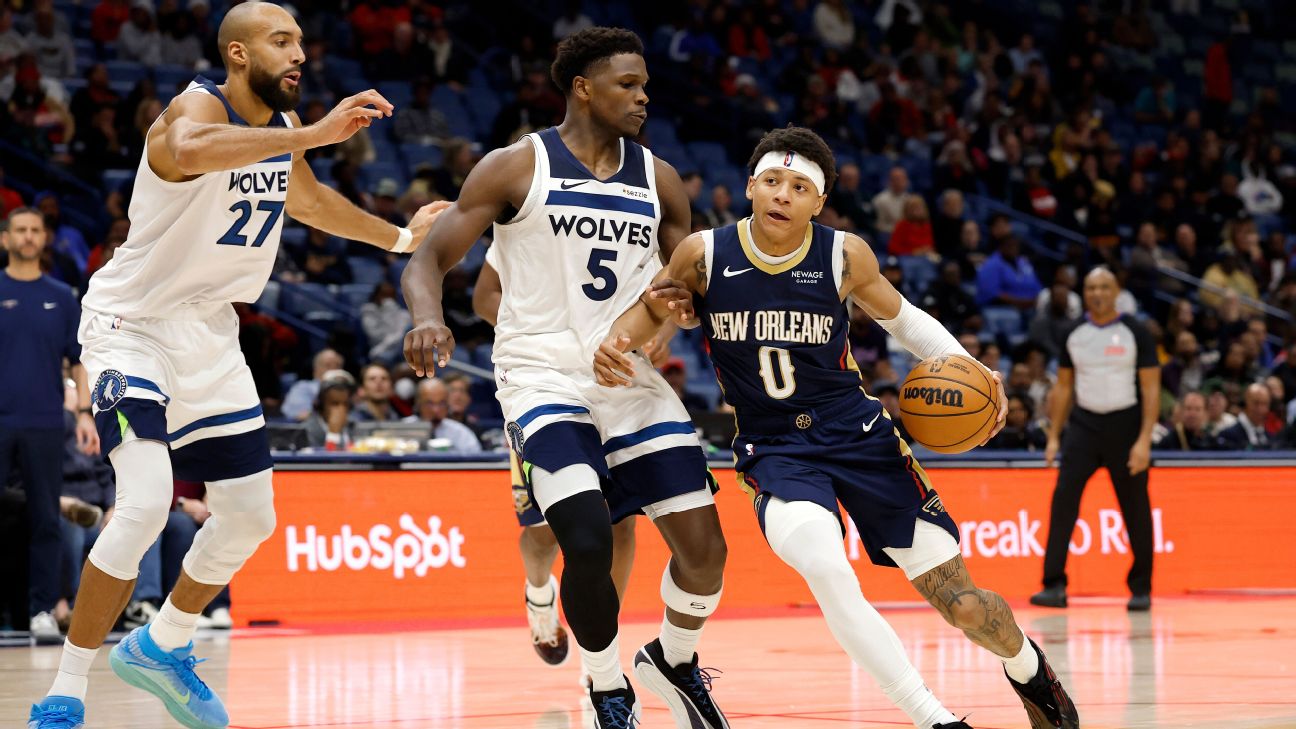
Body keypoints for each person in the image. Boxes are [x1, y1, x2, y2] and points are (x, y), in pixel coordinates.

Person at [27, 4, 447, 727]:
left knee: (251, 516)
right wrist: (314, 134)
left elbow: (307, 198)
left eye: (301, 41)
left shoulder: (283, 129)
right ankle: (65, 691)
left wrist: (401, 238)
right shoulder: (191, 110)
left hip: (211, 333)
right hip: (132, 327)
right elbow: (192, 150)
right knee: (145, 501)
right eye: (282, 41)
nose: (300, 55)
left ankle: (163, 644)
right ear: (238, 54)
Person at [596, 126, 1078, 729]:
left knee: (964, 606)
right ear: (750, 186)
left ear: (819, 202)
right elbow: (654, 309)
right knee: (828, 569)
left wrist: (976, 370)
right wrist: (615, 343)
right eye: (772, 181)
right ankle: (934, 719)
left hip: (860, 437)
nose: (783, 194)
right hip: (777, 449)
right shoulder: (703, 253)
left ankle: (1031, 671)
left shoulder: (844, 255)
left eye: (799, 187)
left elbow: (905, 321)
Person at [401, 28, 729, 729]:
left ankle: (673, 660)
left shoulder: (660, 179)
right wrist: (428, 318)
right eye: (627, 85)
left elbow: (689, 288)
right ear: (583, 88)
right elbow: (428, 260)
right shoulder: (515, 167)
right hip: (541, 376)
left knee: (706, 557)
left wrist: (679, 317)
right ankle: (606, 685)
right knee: (584, 537)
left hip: (630, 379)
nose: (643, 97)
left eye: (645, 86)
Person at [472, 256, 639, 669]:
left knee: (619, 524)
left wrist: (656, 333)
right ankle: (538, 594)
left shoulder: (638, 220)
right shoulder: (524, 219)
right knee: (545, 530)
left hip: (614, 384)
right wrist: (549, 334)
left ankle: (601, 648)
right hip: (544, 384)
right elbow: (483, 297)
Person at [1, 208, 99, 647]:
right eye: (20, 230)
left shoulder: (61, 296)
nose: (27, 236)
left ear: (44, 238)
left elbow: (78, 361)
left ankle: (42, 610)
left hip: (44, 422)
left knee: (45, 519)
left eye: (35, 230)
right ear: (5, 239)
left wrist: (84, 413)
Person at [1036, 268, 1160, 613]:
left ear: (1117, 291)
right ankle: (1053, 585)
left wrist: (1144, 440)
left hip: (1127, 425)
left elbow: (1151, 388)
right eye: (1091, 288)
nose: (1097, 293)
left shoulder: (1136, 331)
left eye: (1104, 287)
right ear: (1085, 293)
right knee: (1063, 501)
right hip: (1084, 426)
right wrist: (1054, 437)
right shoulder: (1073, 332)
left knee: (1135, 507)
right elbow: (1063, 387)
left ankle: (1141, 589)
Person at [403, 378, 483, 454]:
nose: (436, 410)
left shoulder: (461, 433)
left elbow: (477, 459)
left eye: (441, 403)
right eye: (429, 403)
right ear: (418, 403)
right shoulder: (402, 429)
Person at [281, 348, 343, 420]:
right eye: (328, 365)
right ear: (316, 369)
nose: (333, 369)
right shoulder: (303, 388)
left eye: (337, 365)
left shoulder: (347, 391)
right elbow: (300, 415)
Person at [1215, 383, 1277, 450]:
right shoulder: (1228, 436)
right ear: (1245, 403)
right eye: (1256, 403)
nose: (1260, 409)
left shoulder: (1272, 438)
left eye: (1265, 404)